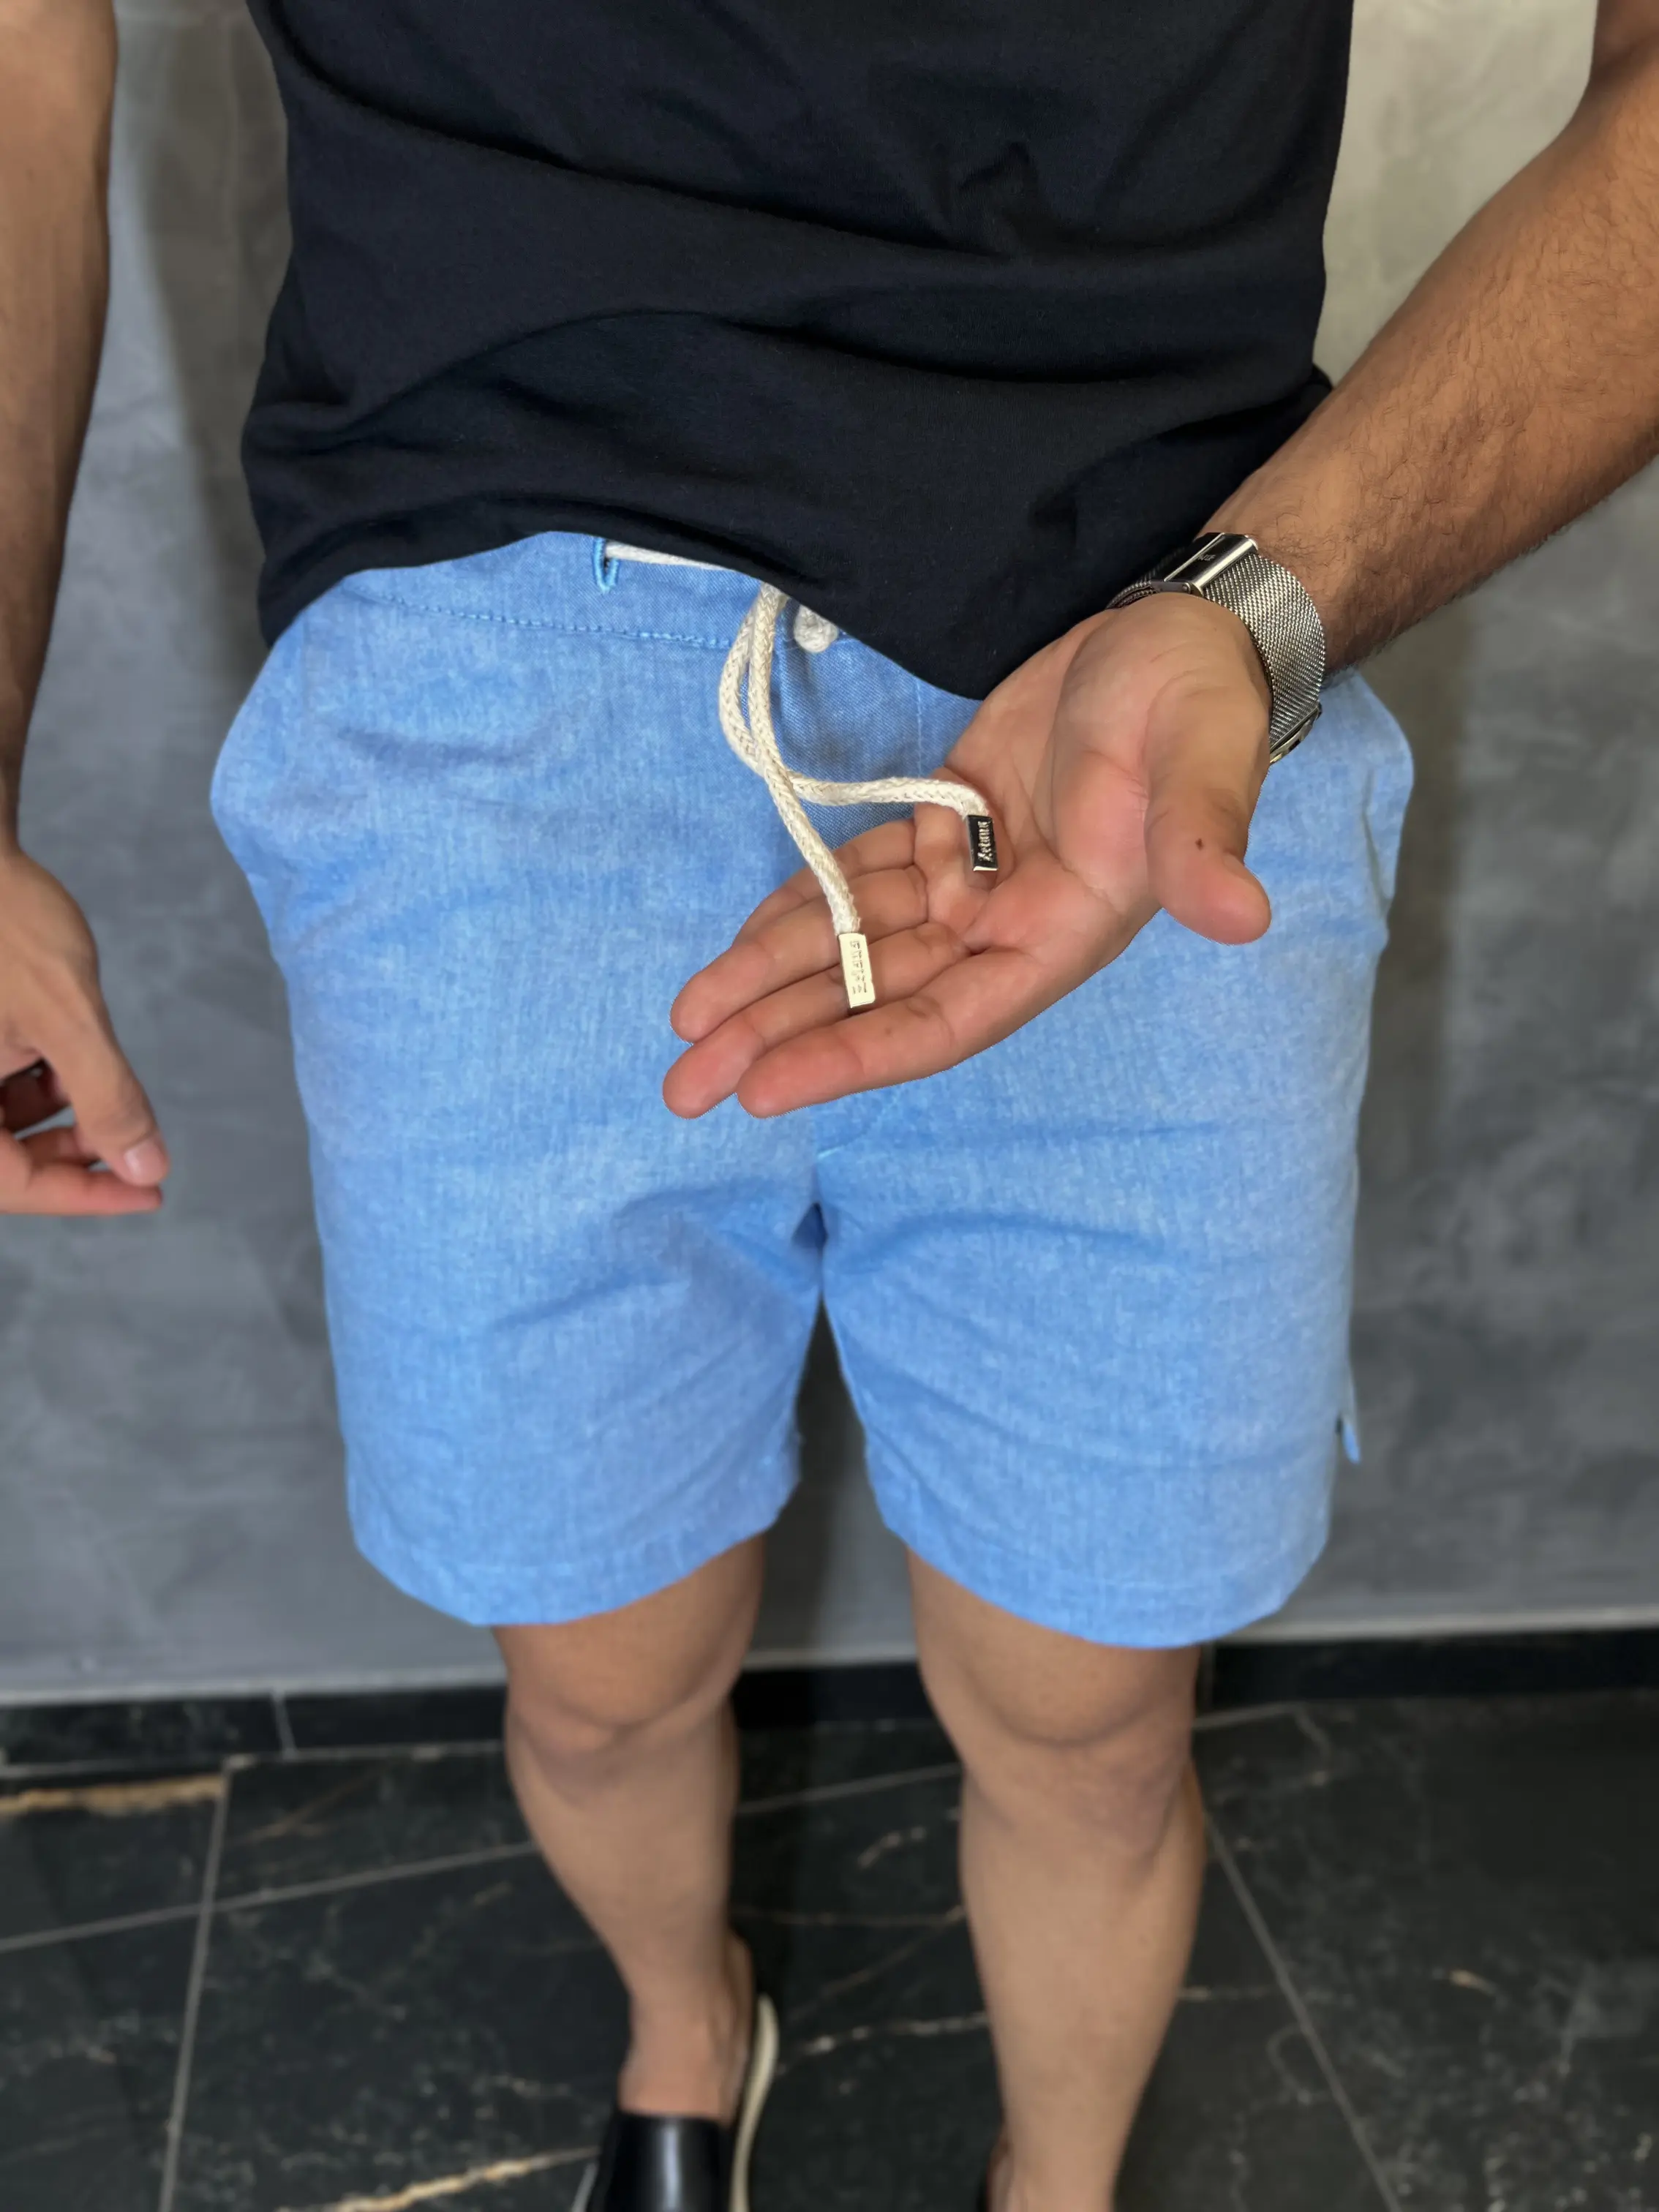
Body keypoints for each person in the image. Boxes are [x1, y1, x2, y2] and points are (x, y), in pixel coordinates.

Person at [4, 0, 1658, 2203]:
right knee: (595, 1668)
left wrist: (1265, 614)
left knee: (1096, 1718)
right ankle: (687, 2035)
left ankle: (1054, 2183)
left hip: (1149, 673)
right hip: (489, 691)